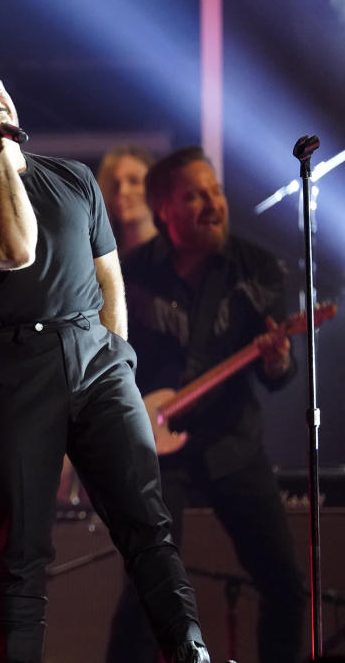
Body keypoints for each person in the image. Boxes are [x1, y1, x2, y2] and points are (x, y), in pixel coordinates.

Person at [0, 56, 210, 663]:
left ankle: (191, 654)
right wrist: (3, 160)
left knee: (148, 529)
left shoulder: (76, 178)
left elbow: (109, 279)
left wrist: (119, 360)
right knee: (23, 551)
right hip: (15, 368)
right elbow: (14, 247)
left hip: (97, 359)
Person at [106, 146, 305, 663]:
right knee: (149, 589)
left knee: (285, 583)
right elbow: (106, 362)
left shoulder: (259, 270)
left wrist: (279, 360)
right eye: (193, 196)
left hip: (231, 442)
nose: (211, 203)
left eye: (213, 191)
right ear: (163, 210)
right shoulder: (130, 275)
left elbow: (277, 379)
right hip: (155, 447)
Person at [96, 145, 157, 255]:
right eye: (115, 185)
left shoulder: (177, 256)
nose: (123, 191)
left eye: (134, 181)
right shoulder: (98, 259)